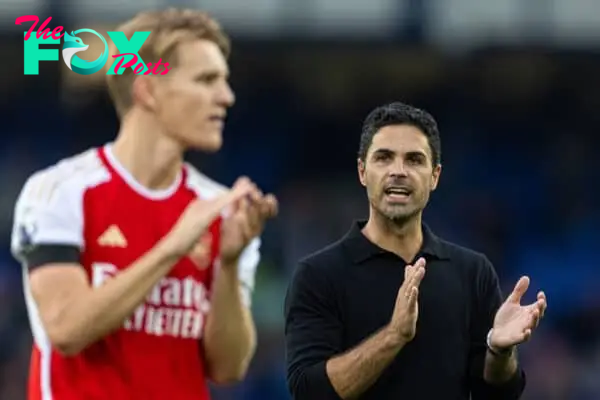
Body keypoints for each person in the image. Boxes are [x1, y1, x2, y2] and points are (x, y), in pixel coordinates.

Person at [11, 8, 278, 400]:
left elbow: (228, 367)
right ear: (148, 89)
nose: (226, 96)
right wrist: (173, 245)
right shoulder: (59, 191)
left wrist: (229, 260)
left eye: (224, 81)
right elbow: (66, 329)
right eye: (207, 80)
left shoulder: (222, 209)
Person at [284, 102, 547, 400]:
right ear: (362, 171)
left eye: (414, 160)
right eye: (384, 158)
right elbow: (309, 391)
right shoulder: (318, 275)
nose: (398, 171)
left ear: (434, 176)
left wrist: (499, 351)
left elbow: (498, 392)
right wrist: (393, 336)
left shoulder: (472, 272)